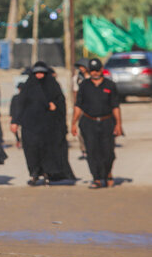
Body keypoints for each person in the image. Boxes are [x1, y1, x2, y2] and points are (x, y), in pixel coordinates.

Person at [11, 61, 75, 185]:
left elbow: (61, 101)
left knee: (47, 150)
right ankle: (34, 174)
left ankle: (47, 173)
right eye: (37, 73)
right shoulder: (27, 87)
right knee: (31, 151)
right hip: (30, 126)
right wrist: (15, 121)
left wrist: (55, 105)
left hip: (48, 126)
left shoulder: (53, 86)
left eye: (42, 73)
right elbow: (20, 105)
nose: (39, 75)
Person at [71, 58, 123, 188]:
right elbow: (78, 106)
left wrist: (118, 124)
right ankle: (97, 178)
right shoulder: (84, 85)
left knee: (108, 152)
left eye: (97, 70)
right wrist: (73, 123)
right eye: (92, 70)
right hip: (89, 122)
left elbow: (115, 106)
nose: (95, 73)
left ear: (101, 70)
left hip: (107, 122)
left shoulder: (110, 85)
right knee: (92, 152)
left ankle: (108, 173)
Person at [73, 58, 90, 160]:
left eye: (83, 66)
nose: (81, 69)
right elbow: (75, 93)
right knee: (82, 129)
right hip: (82, 107)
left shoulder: (94, 77)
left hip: (94, 107)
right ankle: (84, 150)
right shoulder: (77, 78)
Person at [9, 82, 25, 149]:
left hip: (24, 116)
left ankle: (23, 141)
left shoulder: (27, 97)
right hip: (16, 116)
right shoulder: (15, 97)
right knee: (14, 129)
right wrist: (11, 116)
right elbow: (12, 107)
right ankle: (18, 140)